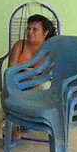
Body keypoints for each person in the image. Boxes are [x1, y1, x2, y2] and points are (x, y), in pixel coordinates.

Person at [7, 14, 56, 145]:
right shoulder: (20, 45)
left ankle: (30, 119)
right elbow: (11, 69)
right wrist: (26, 77)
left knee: (45, 86)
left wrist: (29, 75)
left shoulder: (51, 49)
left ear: (45, 32)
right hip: (20, 82)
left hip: (40, 85)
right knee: (8, 92)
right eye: (28, 28)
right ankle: (16, 131)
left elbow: (48, 74)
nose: (30, 32)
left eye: (35, 29)